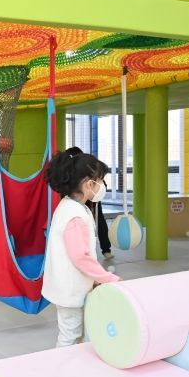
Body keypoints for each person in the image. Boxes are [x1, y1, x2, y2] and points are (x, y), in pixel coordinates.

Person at [43, 150, 120, 347]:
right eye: (100, 181)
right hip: (69, 289)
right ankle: (62, 365)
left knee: (74, 333)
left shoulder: (69, 205)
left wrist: (94, 279)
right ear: (88, 184)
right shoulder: (75, 215)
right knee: (70, 335)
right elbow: (80, 257)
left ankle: (69, 363)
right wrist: (106, 277)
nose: (102, 186)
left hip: (68, 285)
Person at [65, 147, 113, 260]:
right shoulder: (72, 212)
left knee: (99, 221)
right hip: (82, 202)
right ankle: (104, 249)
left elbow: (101, 185)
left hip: (92, 202)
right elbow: (81, 260)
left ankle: (106, 249)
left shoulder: (89, 172)